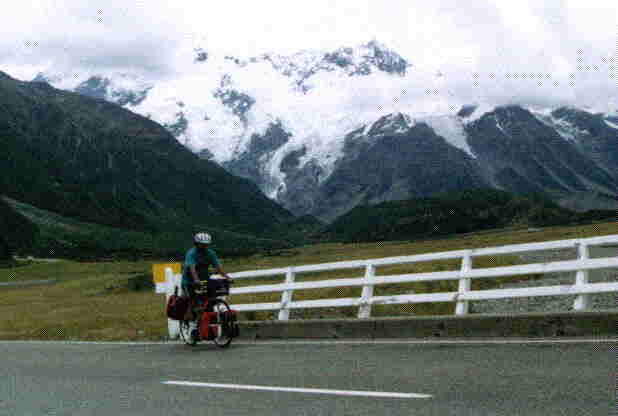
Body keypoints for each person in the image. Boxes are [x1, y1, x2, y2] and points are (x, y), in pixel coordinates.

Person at [181, 232, 232, 322]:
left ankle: (206, 318)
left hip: (204, 279)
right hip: (189, 281)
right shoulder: (191, 253)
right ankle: (188, 317)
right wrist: (196, 279)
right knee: (193, 299)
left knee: (209, 298)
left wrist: (227, 277)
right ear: (196, 244)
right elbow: (192, 268)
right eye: (202, 244)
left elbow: (218, 267)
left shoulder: (210, 253)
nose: (204, 246)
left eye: (206, 244)